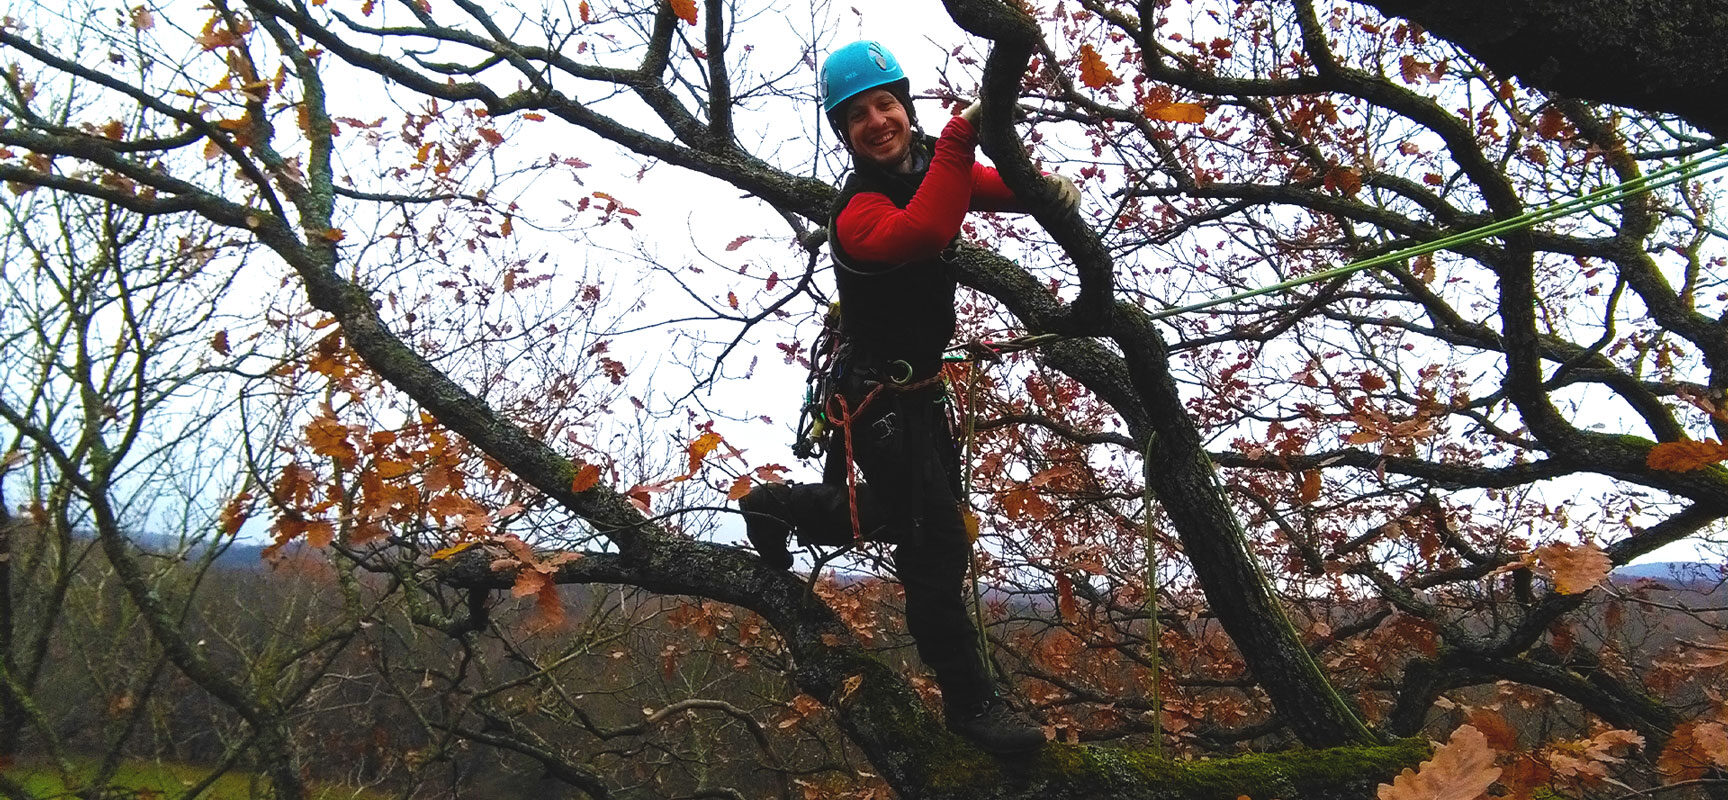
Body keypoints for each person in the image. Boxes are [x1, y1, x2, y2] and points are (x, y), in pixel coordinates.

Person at [739, 40, 1078, 754]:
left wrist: (1045, 188)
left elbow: (988, 188)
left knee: (911, 518)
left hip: (914, 395)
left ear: (905, 104)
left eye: (885, 104)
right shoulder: (857, 210)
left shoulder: (926, 165)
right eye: (857, 115)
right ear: (844, 134)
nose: (877, 121)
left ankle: (778, 506)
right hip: (879, 400)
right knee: (936, 540)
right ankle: (970, 704)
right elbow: (925, 230)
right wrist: (961, 131)